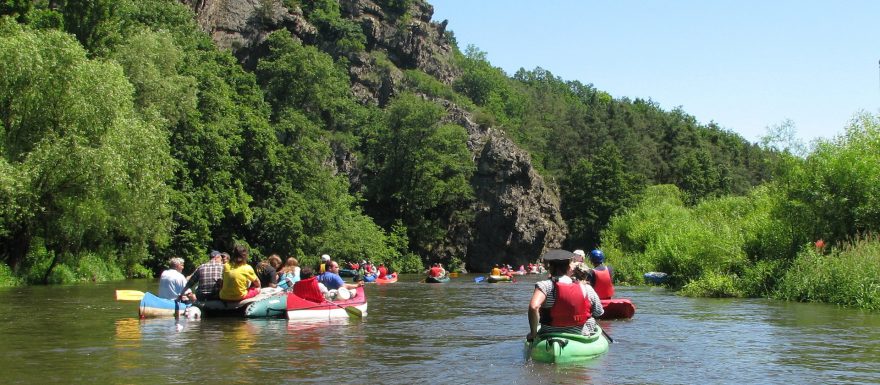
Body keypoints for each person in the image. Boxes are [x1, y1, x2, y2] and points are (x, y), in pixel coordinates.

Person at [527, 250, 604, 343]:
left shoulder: (545, 286)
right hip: (579, 336)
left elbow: (534, 307)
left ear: (550, 268)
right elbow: (599, 312)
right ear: (569, 268)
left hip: (548, 335)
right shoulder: (586, 288)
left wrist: (533, 333)